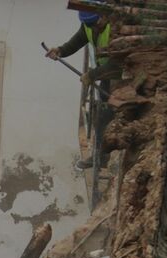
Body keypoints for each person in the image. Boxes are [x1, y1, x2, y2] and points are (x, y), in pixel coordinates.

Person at [46, 10, 118, 170]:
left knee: (108, 115)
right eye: (89, 25)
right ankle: (102, 157)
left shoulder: (117, 27)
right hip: (106, 75)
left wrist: (92, 75)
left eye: (95, 24)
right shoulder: (89, 24)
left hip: (123, 76)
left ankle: (109, 157)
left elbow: (118, 64)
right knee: (101, 115)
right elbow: (79, 39)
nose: (93, 28)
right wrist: (61, 50)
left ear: (104, 15)